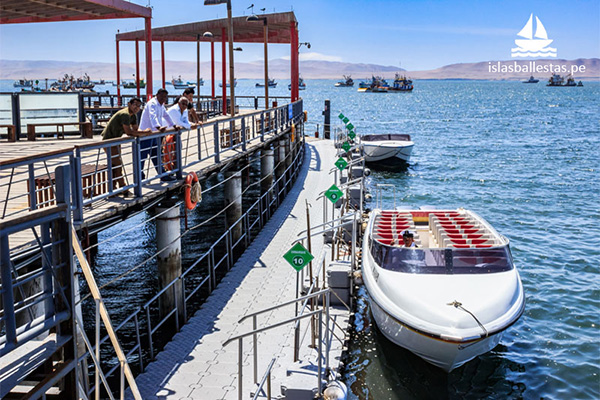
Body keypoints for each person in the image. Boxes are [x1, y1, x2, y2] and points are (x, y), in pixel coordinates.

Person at [101, 98, 144, 194]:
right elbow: (129, 132)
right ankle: (123, 187)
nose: (137, 108)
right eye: (135, 105)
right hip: (109, 140)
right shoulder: (125, 114)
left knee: (115, 164)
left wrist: (144, 132)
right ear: (129, 104)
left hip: (116, 140)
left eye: (139, 106)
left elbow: (136, 130)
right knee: (117, 164)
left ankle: (114, 188)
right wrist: (145, 133)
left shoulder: (133, 116)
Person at [138, 88, 179, 181]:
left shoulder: (161, 105)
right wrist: (158, 127)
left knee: (157, 156)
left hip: (155, 135)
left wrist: (173, 125)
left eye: (165, 97)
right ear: (157, 95)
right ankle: (140, 177)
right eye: (162, 96)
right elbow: (153, 116)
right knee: (142, 157)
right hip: (146, 134)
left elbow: (166, 115)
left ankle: (163, 175)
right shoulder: (152, 103)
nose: (163, 98)